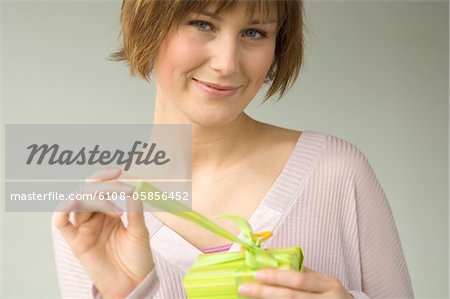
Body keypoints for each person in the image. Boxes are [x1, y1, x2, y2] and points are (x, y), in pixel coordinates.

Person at [52, 0, 414, 298]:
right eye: (202, 24)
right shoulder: (92, 219)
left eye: (254, 33)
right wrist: (134, 293)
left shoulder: (336, 172)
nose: (227, 63)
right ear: (146, 21)